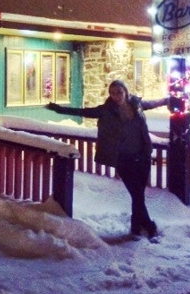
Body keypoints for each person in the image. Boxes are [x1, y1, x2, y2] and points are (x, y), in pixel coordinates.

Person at [46, 79, 168, 239]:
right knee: (136, 193)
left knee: (139, 193)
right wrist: (60, 109)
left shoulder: (137, 105)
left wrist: (167, 100)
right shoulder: (106, 110)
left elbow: (153, 103)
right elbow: (82, 111)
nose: (116, 96)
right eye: (112, 93)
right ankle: (147, 225)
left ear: (126, 91)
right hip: (122, 158)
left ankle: (137, 225)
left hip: (142, 155)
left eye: (119, 92)